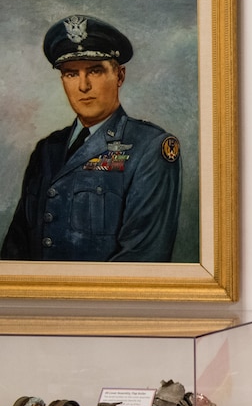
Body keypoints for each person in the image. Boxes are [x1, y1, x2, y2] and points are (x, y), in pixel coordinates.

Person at [2, 14, 182, 262]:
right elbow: (16, 249)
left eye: (95, 71)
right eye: (71, 73)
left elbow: (143, 258)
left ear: (119, 76)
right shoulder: (47, 149)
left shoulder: (150, 148)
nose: (83, 86)